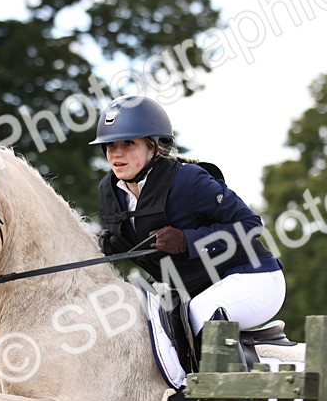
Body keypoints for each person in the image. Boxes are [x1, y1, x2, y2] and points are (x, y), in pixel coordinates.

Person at [92, 95, 285, 345]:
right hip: (192, 291)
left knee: (200, 312)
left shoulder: (188, 180)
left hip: (253, 278)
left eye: (128, 143)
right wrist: (115, 245)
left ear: (155, 146)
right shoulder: (109, 191)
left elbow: (251, 226)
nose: (116, 154)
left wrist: (188, 241)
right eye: (109, 146)